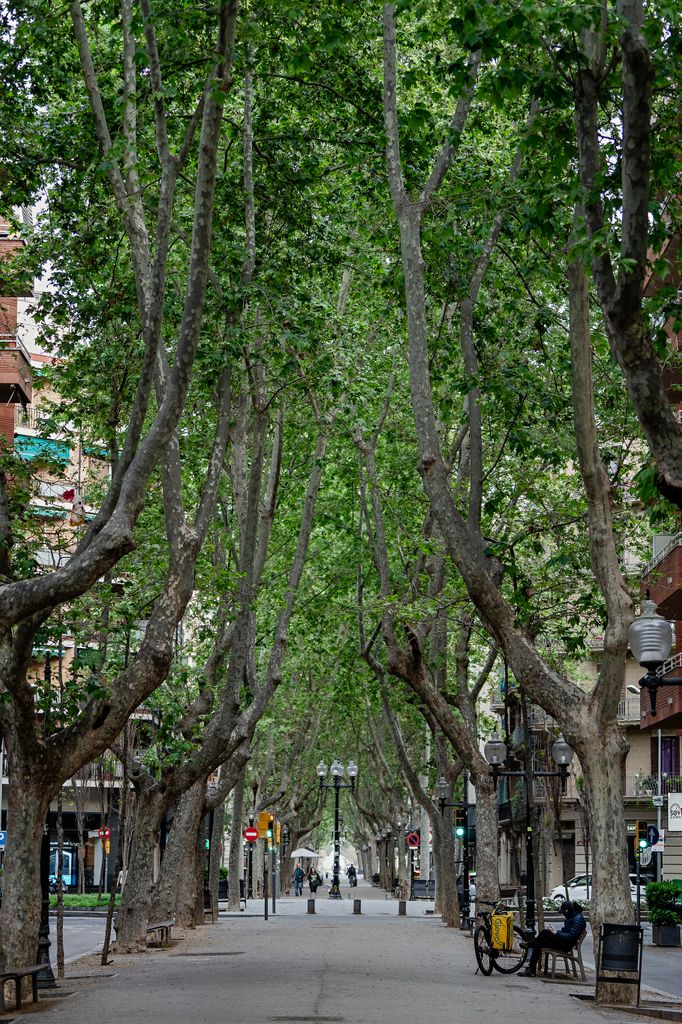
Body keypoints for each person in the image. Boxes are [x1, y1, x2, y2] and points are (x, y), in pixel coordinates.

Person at [520, 900, 586, 977]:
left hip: (566, 945)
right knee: (539, 944)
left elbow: (571, 936)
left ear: (567, 911)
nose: (563, 915)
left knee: (545, 932)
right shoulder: (572, 916)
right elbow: (566, 931)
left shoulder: (577, 919)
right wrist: (555, 931)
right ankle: (531, 968)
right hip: (563, 942)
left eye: (563, 913)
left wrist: (556, 932)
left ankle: (531, 944)